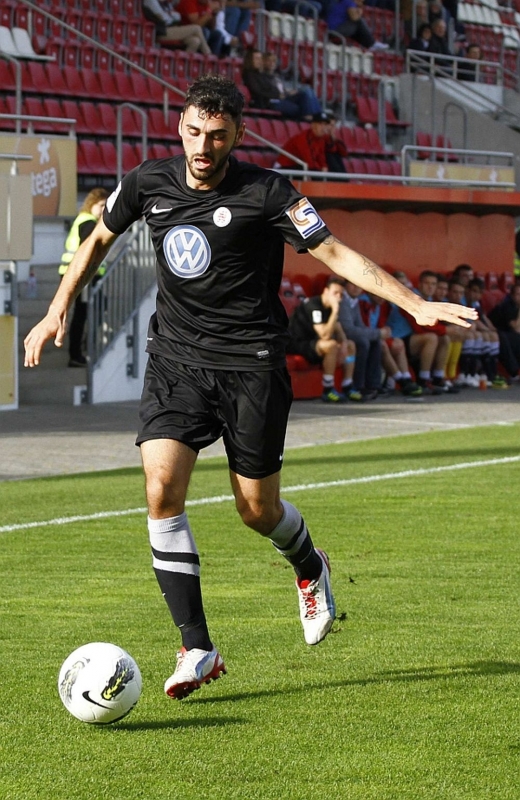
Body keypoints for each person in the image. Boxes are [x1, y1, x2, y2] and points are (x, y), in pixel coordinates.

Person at [24, 75, 475, 701]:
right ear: (180, 127)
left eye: (216, 135)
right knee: (161, 490)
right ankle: (197, 647)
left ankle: (308, 564)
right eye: (193, 132)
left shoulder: (268, 192)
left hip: (252, 365)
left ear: (237, 135)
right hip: (176, 361)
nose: (202, 146)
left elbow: (335, 252)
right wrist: (57, 309)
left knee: (256, 510)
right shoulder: (148, 182)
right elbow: (99, 238)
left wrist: (414, 302)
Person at [287, 276, 359, 402]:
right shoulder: (313, 305)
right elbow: (324, 335)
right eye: (335, 293)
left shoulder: (330, 306)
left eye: (341, 294)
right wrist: (335, 311)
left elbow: (337, 327)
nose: (338, 297)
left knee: (350, 345)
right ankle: (328, 389)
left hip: (314, 343)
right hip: (296, 343)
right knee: (331, 345)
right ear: (326, 291)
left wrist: (344, 344)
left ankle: (347, 385)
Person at [58, 188, 108, 368]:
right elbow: (88, 252)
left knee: (93, 310)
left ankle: (82, 348)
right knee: (81, 315)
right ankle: (77, 354)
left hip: (80, 275)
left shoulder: (83, 220)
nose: (103, 210)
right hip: (82, 277)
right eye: (101, 205)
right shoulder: (88, 222)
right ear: (91, 204)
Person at [242, 49, 322, 120]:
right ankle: (311, 121)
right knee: (300, 108)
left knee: (307, 92)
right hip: (269, 102)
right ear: (250, 60)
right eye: (256, 58)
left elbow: (274, 88)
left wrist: (285, 93)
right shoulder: (249, 75)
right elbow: (258, 91)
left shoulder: (262, 74)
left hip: (279, 97)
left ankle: (318, 118)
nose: (260, 61)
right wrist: (278, 95)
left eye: (260, 58)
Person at [337, 279, 383, 400]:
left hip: (348, 335)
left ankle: (373, 385)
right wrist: (378, 333)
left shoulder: (354, 300)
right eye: (352, 284)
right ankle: (358, 386)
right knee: (363, 342)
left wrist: (376, 335)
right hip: (338, 336)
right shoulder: (342, 300)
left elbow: (360, 325)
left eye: (359, 285)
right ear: (346, 285)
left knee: (375, 342)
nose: (356, 288)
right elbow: (348, 330)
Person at [276, 111, 347, 172]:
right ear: (313, 125)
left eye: (325, 125)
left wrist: (324, 167)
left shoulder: (321, 138)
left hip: (301, 166)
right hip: (284, 168)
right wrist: (321, 171)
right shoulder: (303, 138)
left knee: (333, 158)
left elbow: (321, 156)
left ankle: (343, 180)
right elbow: (308, 160)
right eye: (320, 124)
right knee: (313, 171)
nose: (323, 128)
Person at [142, 0, 212, 54]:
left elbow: (178, 17)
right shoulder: (151, 1)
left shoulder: (166, 3)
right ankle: (208, 54)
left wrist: (169, 15)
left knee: (195, 41)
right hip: (160, 31)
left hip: (171, 29)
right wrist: (170, 15)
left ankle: (184, 65)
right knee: (196, 28)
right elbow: (164, 19)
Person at [488, 283, 520, 381]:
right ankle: (514, 372)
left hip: (509, 334)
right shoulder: (507, 306)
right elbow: (516, 328)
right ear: (512, 295)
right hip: (497, 332)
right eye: (518, 294)